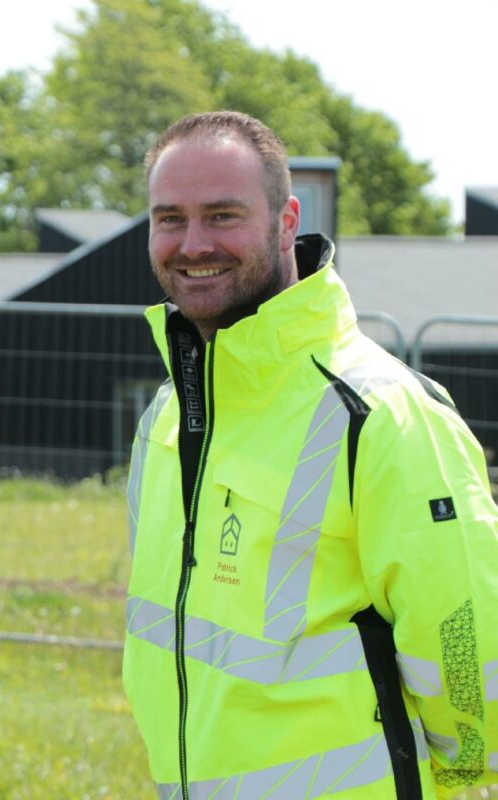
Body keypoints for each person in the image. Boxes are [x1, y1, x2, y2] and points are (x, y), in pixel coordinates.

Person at [123, 111, 498, 798]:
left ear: (287, 221)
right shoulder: (166, 418)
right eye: (169, 218)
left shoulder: (382, 413)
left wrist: (465, 778)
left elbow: (467, 657)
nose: (193, 243)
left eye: (223, 215)